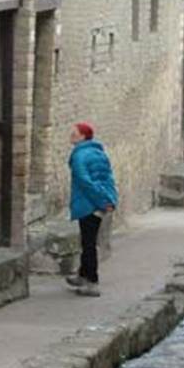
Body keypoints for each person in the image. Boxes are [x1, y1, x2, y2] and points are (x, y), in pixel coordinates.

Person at [66, 122, 118, 296]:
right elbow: (107, 178)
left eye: (74, 133)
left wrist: (102, 202)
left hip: (89, 204)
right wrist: (109, 199)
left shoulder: (79, 156)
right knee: (88, 240)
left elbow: (86, 182)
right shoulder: (98, 153)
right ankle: (82, 275)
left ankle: (92, 282)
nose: (71, 135)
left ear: (82, 136)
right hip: (99, 202)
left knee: (88, 244)